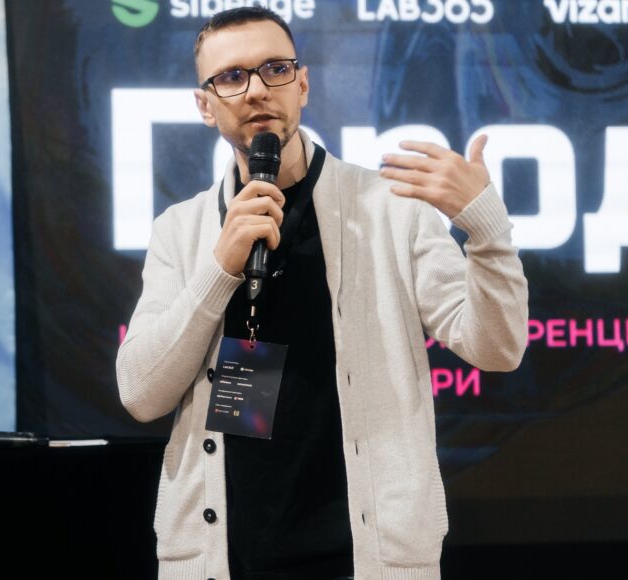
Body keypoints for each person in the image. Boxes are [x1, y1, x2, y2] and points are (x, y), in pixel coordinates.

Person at [116, 7, 528, 580]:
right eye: (231, 77)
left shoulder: (391, 209)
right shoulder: (181, 230)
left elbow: (496, 349)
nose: (257, 89)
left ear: (302, 84)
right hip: (224, 558)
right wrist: (219, 269)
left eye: (275, 68)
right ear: (205, 106)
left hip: (367, 558)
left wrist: (487, 231)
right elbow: (141, 393)